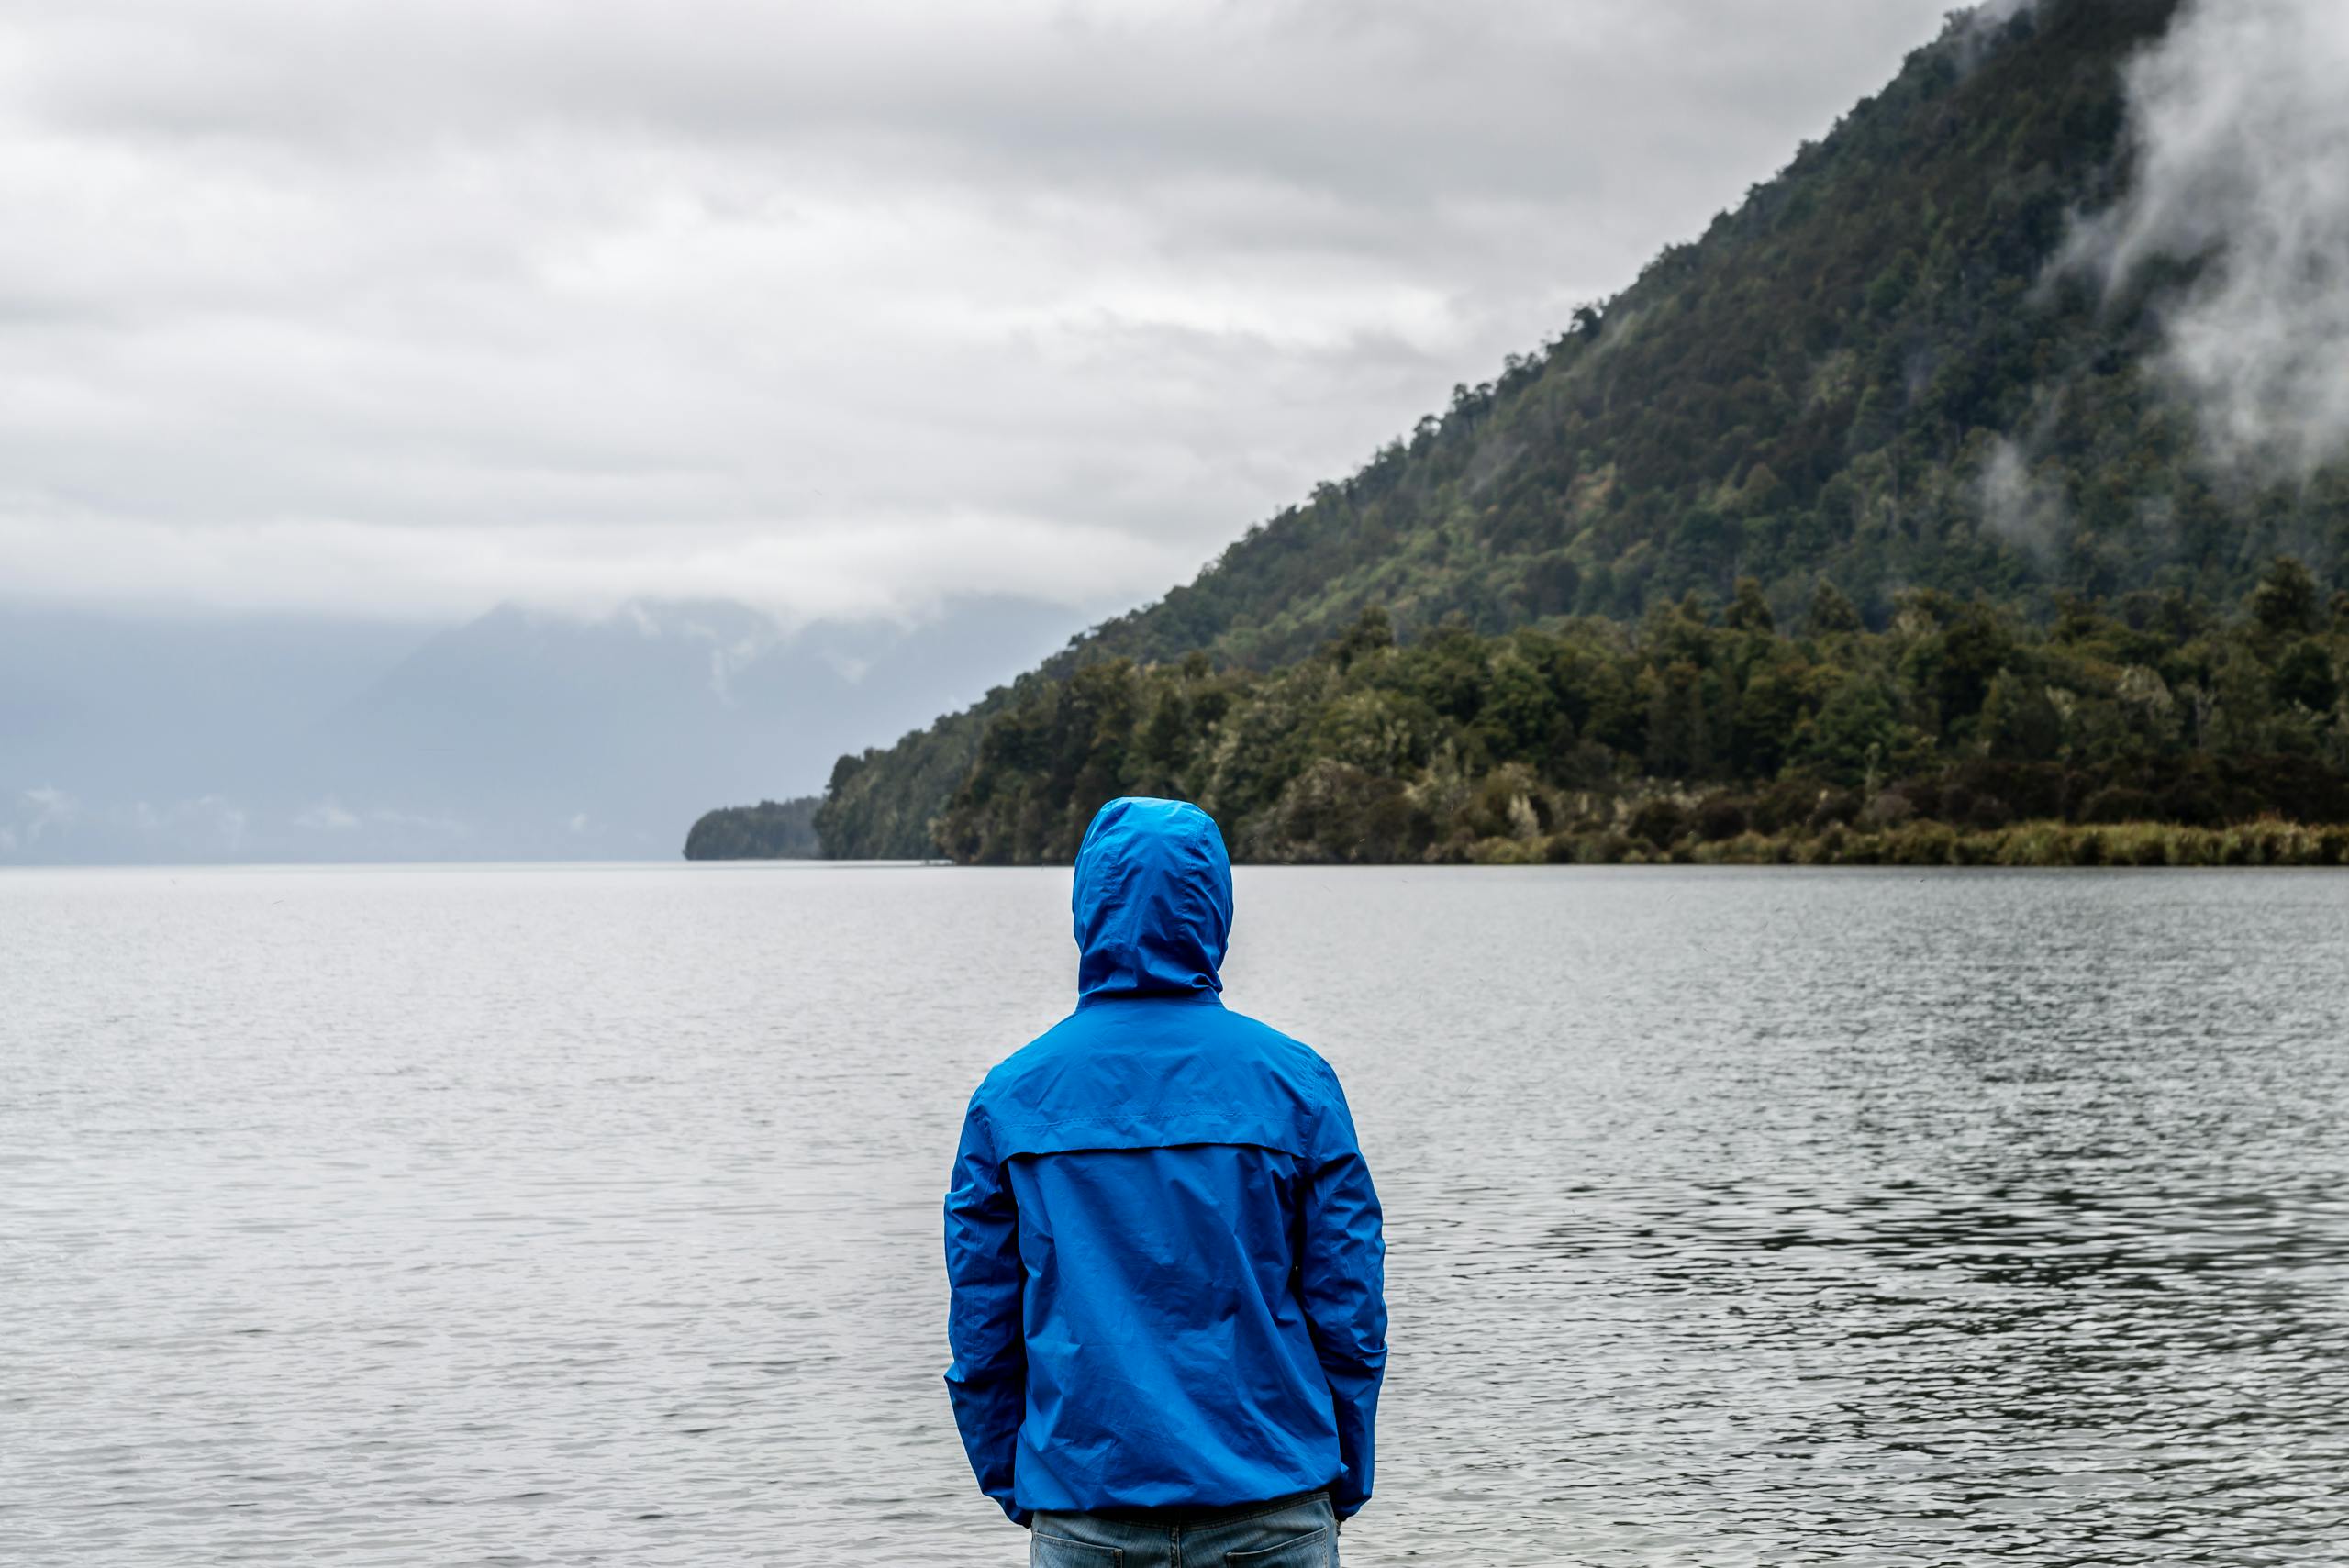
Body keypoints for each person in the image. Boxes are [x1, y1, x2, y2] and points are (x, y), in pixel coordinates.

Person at [943, 796, 1388, 1566]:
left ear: (1088, 905)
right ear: (1214, 906)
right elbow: (1350, 1312)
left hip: (1087, 1512)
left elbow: (983, 1334)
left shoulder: (1012, 1097)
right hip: (1274, 1503)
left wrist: (1020, 1483)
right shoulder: (1296, 1085)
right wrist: (1338, 1474)